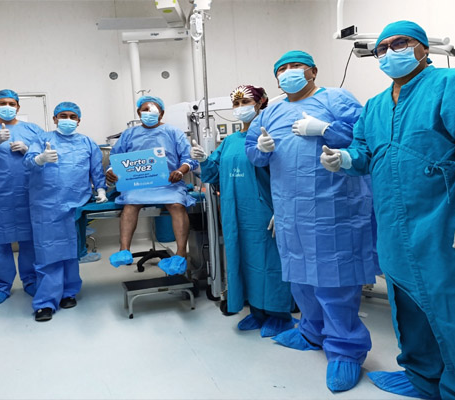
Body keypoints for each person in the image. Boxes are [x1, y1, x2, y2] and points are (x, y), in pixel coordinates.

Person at [320, 21, 455, 399]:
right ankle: (422, 379)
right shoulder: (375, 106)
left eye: (400, 43)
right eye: (382, 48)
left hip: (449, 227)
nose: (390, 53)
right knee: (410, 314)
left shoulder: (453, 85)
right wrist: (343, 159)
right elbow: (365, 153)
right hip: (397, 234)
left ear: (423, 48)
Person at [245, 51, 379, 393]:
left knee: (334, 278)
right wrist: (261, 148)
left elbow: (364, 141)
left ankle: (346, 349)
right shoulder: (271, 111)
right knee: (300, 276)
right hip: (290, 209)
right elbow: (254, 153)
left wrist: (327, 129)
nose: (288, 73)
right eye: (282, 69)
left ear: (313, 71)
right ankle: (311, 331)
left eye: (296, 67)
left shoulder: (336, 99)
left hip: (334, 208)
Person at [190, 85, 295, 337]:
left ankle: (279, 314)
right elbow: (213, 174)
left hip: (263, 212)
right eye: (235, 104)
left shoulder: (270, 136)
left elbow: (286, 175)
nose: (239, 108)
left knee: (269, 262)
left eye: (245, 102)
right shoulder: (229, 142)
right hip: (234, 212)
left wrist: (282, 210)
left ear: (260, 103)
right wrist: (203, 160)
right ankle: (256, 311)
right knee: (243, 260)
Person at [23, 101, 107, 322]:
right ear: (54, 119)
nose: (67, 120)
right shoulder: (42, 139)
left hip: (76, 202)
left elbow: (96, 170)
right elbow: (28, 162)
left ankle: (69, 292)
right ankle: (45, 302)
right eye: (63, 116)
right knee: (48, 251)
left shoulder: (87, 143)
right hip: (46, 204)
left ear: (78, 120)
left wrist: (100, 189)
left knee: (71, 249)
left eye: (72, 116)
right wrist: (40, 159)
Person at [107, 95, 198, 275]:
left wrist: (180, 171)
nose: (149, 113)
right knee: (130, 204)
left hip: (168, 184)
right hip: (138, 185)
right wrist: (111, 170)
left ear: (162, 113)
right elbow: (115, 158)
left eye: (154, 110)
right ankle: (124, 250)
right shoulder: (129, 134)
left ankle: (180, 253)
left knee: (177, 205)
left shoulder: (173, 132)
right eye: (145, 110)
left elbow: (190, 159)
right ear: (138, 112)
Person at [0, 89, 43, 305]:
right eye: (2, 103)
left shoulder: (32, 129)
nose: (7, 107)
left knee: (29, 239)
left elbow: (43, 156)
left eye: (12, 103)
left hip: (27, 192)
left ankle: (31, 279)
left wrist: (27, 149)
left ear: (18, 107)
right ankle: (0, 284)